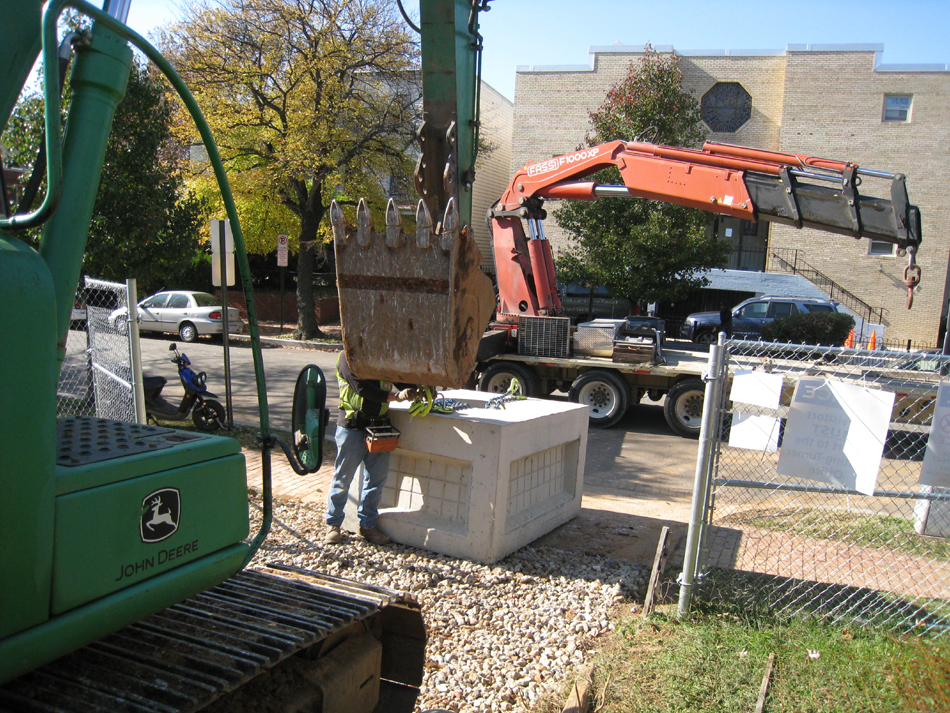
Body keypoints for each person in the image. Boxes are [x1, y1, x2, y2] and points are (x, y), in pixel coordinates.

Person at [325, 351, 415, 546]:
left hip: (379, 427)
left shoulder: (381, 358)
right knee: (343, 479)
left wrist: (415, 388)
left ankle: (368, 526)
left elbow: (398, 379)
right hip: (352, 428)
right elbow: (362, 388)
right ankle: (333, 524)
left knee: (376, 480)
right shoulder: (347, 357)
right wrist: (397, 396)